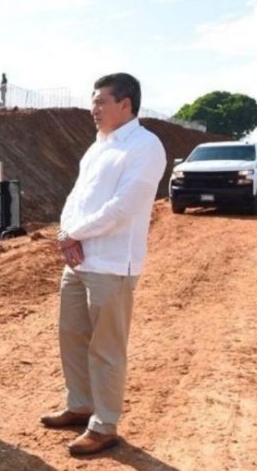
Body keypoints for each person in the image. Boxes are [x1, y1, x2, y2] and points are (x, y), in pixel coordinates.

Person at [41, 73, 166, 456]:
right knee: (72, 335)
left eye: (100, 101)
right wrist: (68, 233)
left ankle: (105, 424)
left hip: (112, 264)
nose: (93, 109)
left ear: (125, 104)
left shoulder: (145, 147)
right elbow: (76, 198)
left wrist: (74, 233)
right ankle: (80, 404)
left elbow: (124, 208)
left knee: (107, 348)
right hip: (80, 261)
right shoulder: (98, 147)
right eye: (93, 101)